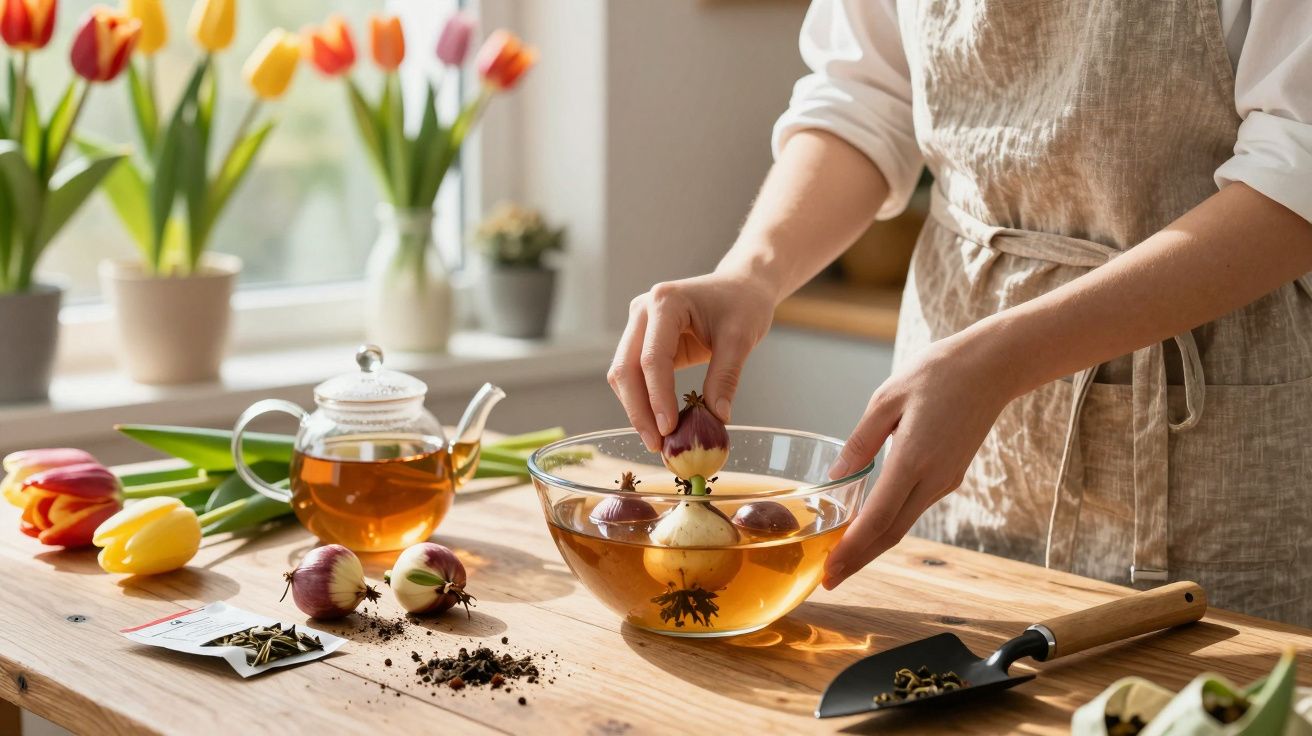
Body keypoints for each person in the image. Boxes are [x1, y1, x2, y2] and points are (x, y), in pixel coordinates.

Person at [607, 0, 1312, 626]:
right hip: (957, 399)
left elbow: (1296, 173)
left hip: (1215, 436)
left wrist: (1002, 360)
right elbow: (862, 98)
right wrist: (750, 274)